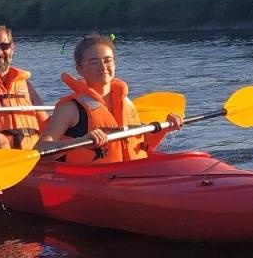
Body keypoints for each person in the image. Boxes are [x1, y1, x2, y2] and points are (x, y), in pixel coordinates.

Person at [38, 33, 183, 163]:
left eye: (108, 60)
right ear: (79, 69)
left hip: (130, 176)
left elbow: (142, 145)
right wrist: (81, 141)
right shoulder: (70, 109)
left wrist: (165, 128)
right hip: (93, 181)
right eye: (94, 62)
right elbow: (40, 150)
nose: (103, 67)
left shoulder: (126, 103)